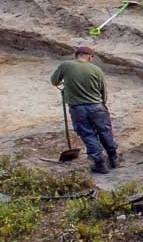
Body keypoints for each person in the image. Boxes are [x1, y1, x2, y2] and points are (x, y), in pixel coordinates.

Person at [51, 45, 120, 174]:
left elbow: (54, 81)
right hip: (97, 106)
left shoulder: (66, 65)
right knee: (105, 131)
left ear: (76, 55)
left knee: (88, 134)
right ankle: (113, 158)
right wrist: (103, 105)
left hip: (78, 108)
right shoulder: (96, 69)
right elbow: (103, 91)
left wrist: (66, 85)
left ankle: (99, 163)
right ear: (89, 57)